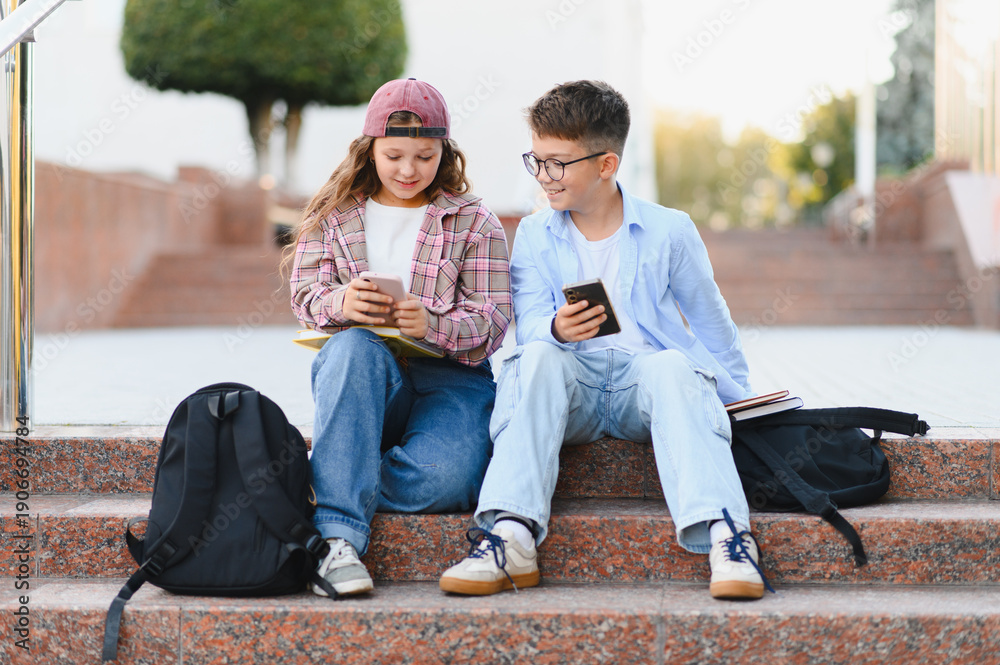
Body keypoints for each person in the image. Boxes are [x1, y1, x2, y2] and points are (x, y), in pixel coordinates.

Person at [438, 80, 771, 600]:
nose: (544, 177)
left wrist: (741, 397)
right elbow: (527, 323)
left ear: (605, 165)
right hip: (573, 389)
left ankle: (729, 538)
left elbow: (710, 321)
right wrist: (555, 327)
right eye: (537, 160)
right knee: (538, 356)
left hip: (646, 384)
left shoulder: (670, 230)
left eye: (559, 163)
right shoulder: (533, 234)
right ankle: (510, 534)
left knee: (675, 366)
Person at [288, 78, 512, 597]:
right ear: (369, 149)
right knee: (350, 346)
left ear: (444, 153)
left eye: (424, 156)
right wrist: (340, 302)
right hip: (364, 369)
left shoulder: (474, 220)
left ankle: (337, 475)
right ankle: (337, 541)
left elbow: (494, 320)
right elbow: (304, 294)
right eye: (394, 155)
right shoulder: (334, 213)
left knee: (447, 481)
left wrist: (431, 324)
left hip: (452, 378)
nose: (408, 170)